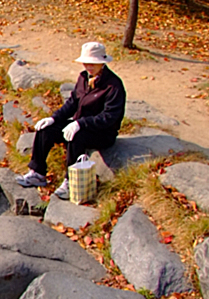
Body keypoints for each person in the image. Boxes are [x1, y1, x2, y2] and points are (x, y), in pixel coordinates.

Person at [16, 42, 126, 199]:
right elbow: (72, 102)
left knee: (77, 136)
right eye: (86, 63)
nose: (88, 66)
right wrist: (53, 118)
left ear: (102, 62)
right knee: (46, 130)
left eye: (93, 63)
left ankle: (70, 181)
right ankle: (37, 173)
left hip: (102, 133)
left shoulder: (114, 86)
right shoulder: (83, 78)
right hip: (79, 125)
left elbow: (109, 117)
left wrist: (80, 123)